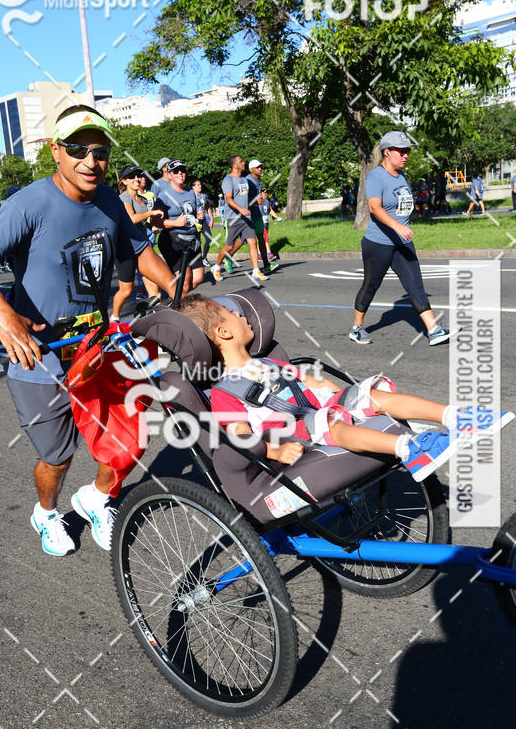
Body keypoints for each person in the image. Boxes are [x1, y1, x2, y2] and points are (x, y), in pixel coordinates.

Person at [0, 104, 178, 557]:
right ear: (57, 152)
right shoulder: (30, 204)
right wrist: (4, 315)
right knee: (58, 456)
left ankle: (96, 498)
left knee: (131, 435)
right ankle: (46, 512)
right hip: (40, 354)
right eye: (77, 149)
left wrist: (177, 290)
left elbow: (138, 253)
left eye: (99, 152)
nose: (90, 161)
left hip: (97, 346)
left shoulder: (110, 203)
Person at [178, 294, 513, 481]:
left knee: (372, 395)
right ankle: (411, 449)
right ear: (223, 332)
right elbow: (238, 434)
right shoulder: (224, 392)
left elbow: (307, 382)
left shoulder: (267, 363)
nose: (245, 317)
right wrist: (274, 451)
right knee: (335, 426)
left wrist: (334, 393)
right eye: (234, 314)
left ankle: (457, 417)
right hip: (289, 435)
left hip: (315, 411)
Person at [349, 131, 452, 347]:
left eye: (408, 151)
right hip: (378, 244)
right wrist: (396, 225)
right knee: (371, 286)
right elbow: (374, 208)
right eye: (401, 151)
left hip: (402, 243)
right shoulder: (377, 175)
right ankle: (357, 328)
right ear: (387, 152)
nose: (406, 155)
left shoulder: (402, 176)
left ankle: (433, 330)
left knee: (415, 285)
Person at [211, 155, 269, 284]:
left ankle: (256, 271)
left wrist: (258, 201)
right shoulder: (228, 180)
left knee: (252, 242)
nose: (244, 163)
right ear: (234, 165)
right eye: (241, 162)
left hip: (246, 218)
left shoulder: (244, 180)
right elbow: (229, 199)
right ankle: (216, 266)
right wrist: (240, 209)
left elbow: (246, 198)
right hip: (232, 217)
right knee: (229, 246)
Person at [155, 159, 204, 293]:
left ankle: (176, 297)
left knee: (198, 277)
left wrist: (200, 216)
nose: (180, 173)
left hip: (192, 240)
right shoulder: (163, 196)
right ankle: (178, 304)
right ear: (169, 174)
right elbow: (155, 221)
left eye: (182, 170)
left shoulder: (190, 192)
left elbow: (195, 212)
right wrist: (175, 223)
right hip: (173, 240)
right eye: (176, 171)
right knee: (185, 278)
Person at [118, 164, 163, 305]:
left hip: (143, 245)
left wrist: (154, 222)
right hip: (129, 247)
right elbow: (132, 219)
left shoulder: (141, 198)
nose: (137, 179)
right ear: (124, 181)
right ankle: (115, 317)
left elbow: (143, 220)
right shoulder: (124, 198)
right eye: (132, 176)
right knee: (125, 291)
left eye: (138, 176)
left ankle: (159, 316)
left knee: (155, 289)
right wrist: (150, 213)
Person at [260, 193, 281, 263]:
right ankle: (269, 254)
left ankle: (259, 254)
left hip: (266, 223)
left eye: (266, 192)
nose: (266, 194)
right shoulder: (257, 201)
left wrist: (277, 217)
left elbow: (270, 210)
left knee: (262, 239)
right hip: (259, 223)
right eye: (264, 192)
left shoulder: (267, 201)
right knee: (265, 237)